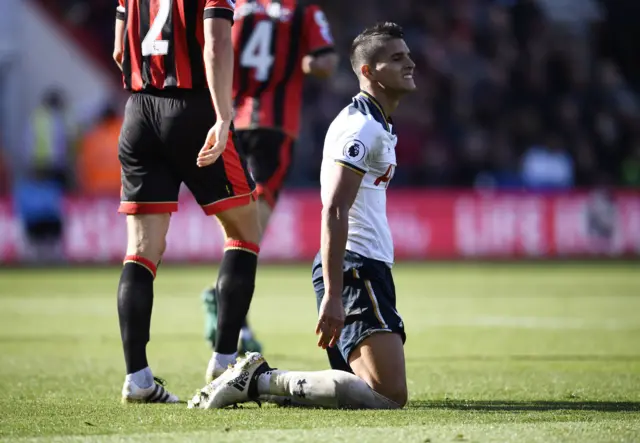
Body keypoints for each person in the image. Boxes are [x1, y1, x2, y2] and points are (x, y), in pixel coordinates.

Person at [189, 22, 416, 410]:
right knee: (389, 396)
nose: (410, 63)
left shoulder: (376, 122)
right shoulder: (360, 127)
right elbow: (334, 208)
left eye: (408, 55)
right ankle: (258, 380)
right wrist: (332, 293)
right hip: (354, 270)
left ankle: (269, 383)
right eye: (397, 58)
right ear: (368, 71)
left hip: (367, 269)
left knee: (363, 391)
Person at [113, 0, 262, 403]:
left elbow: (117, 50)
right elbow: (215, 46)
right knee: (245, 231)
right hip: (194, 110)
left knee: (141, 252)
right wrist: (223, 116)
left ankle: (138, 379)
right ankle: (225, 362)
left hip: (139, 112)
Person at [201, 0, 338, 369]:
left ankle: (227, 298)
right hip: (273, 127)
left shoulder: (234, 4)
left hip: (226, 120)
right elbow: (324, 61)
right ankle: (231, 310)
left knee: (237, 219)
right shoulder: (302, 9)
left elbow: (209, 46)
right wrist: (302, 62)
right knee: (253, 226)